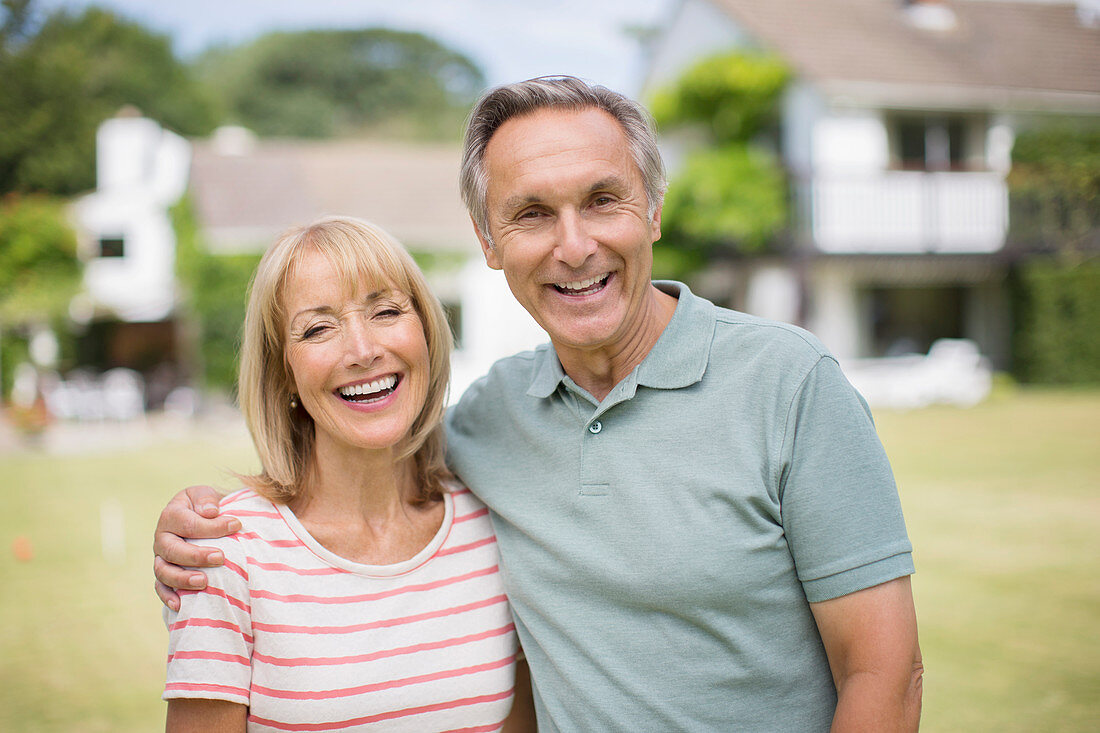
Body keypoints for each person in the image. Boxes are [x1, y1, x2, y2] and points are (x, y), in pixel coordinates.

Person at [155, 77, 923, 731]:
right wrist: (198, 518)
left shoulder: (789, 383)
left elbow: (886, 673)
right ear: (488, 239)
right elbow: (361, 460)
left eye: (602, 200)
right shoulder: (487, 423)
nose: (575, 244)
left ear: (652, 210)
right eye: (530, 214)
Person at [161, 216, 535, 732]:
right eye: (318, 328)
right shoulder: (226, 551)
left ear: (425, 331)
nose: (362, 351)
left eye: (385, 311)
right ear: (282, 372)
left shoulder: (493, 527)